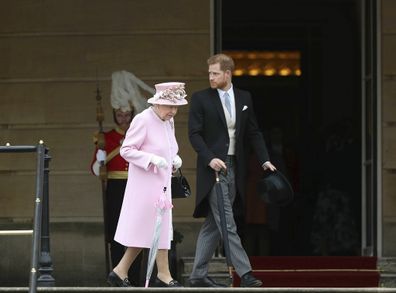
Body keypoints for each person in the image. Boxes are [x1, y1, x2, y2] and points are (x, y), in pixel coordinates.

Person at [188, 53, 276, 287]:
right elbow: (194, 135)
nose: (211, 77)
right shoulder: (200, 99)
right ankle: (245, 273)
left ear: (228, 74)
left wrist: (264, 160)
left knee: (213, 225)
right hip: (213, 168)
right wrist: (209, 159)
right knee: (227, 221)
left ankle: (197, 275)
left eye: (215, 73)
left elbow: (254, 132)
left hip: (235, 166)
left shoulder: (244, 97)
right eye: (209, 73)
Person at [107, 82, 188, 287]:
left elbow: (169, 147)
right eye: (170, 106)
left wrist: (174, 158)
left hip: (161, 183)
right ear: (158, 103)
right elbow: (127, 150)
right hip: (144, 183)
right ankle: (162, 274)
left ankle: (122, 271)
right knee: (151, 228)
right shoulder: (142, 119)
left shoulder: (168, 121)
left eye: (176, 106)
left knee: (157, 228)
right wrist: (150, 159)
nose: (173, 111)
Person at [91, 71, 152, 285]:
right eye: (119, 115)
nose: (123, 120)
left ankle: (135, 277)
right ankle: (118, 274)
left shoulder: (140, 135)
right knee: (117, 231)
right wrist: (103, 154)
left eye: (127, 115)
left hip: (136, 185)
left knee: (137, 231)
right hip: (116, 187)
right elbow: (96, 170)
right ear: (114, 115)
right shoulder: (105, 137)